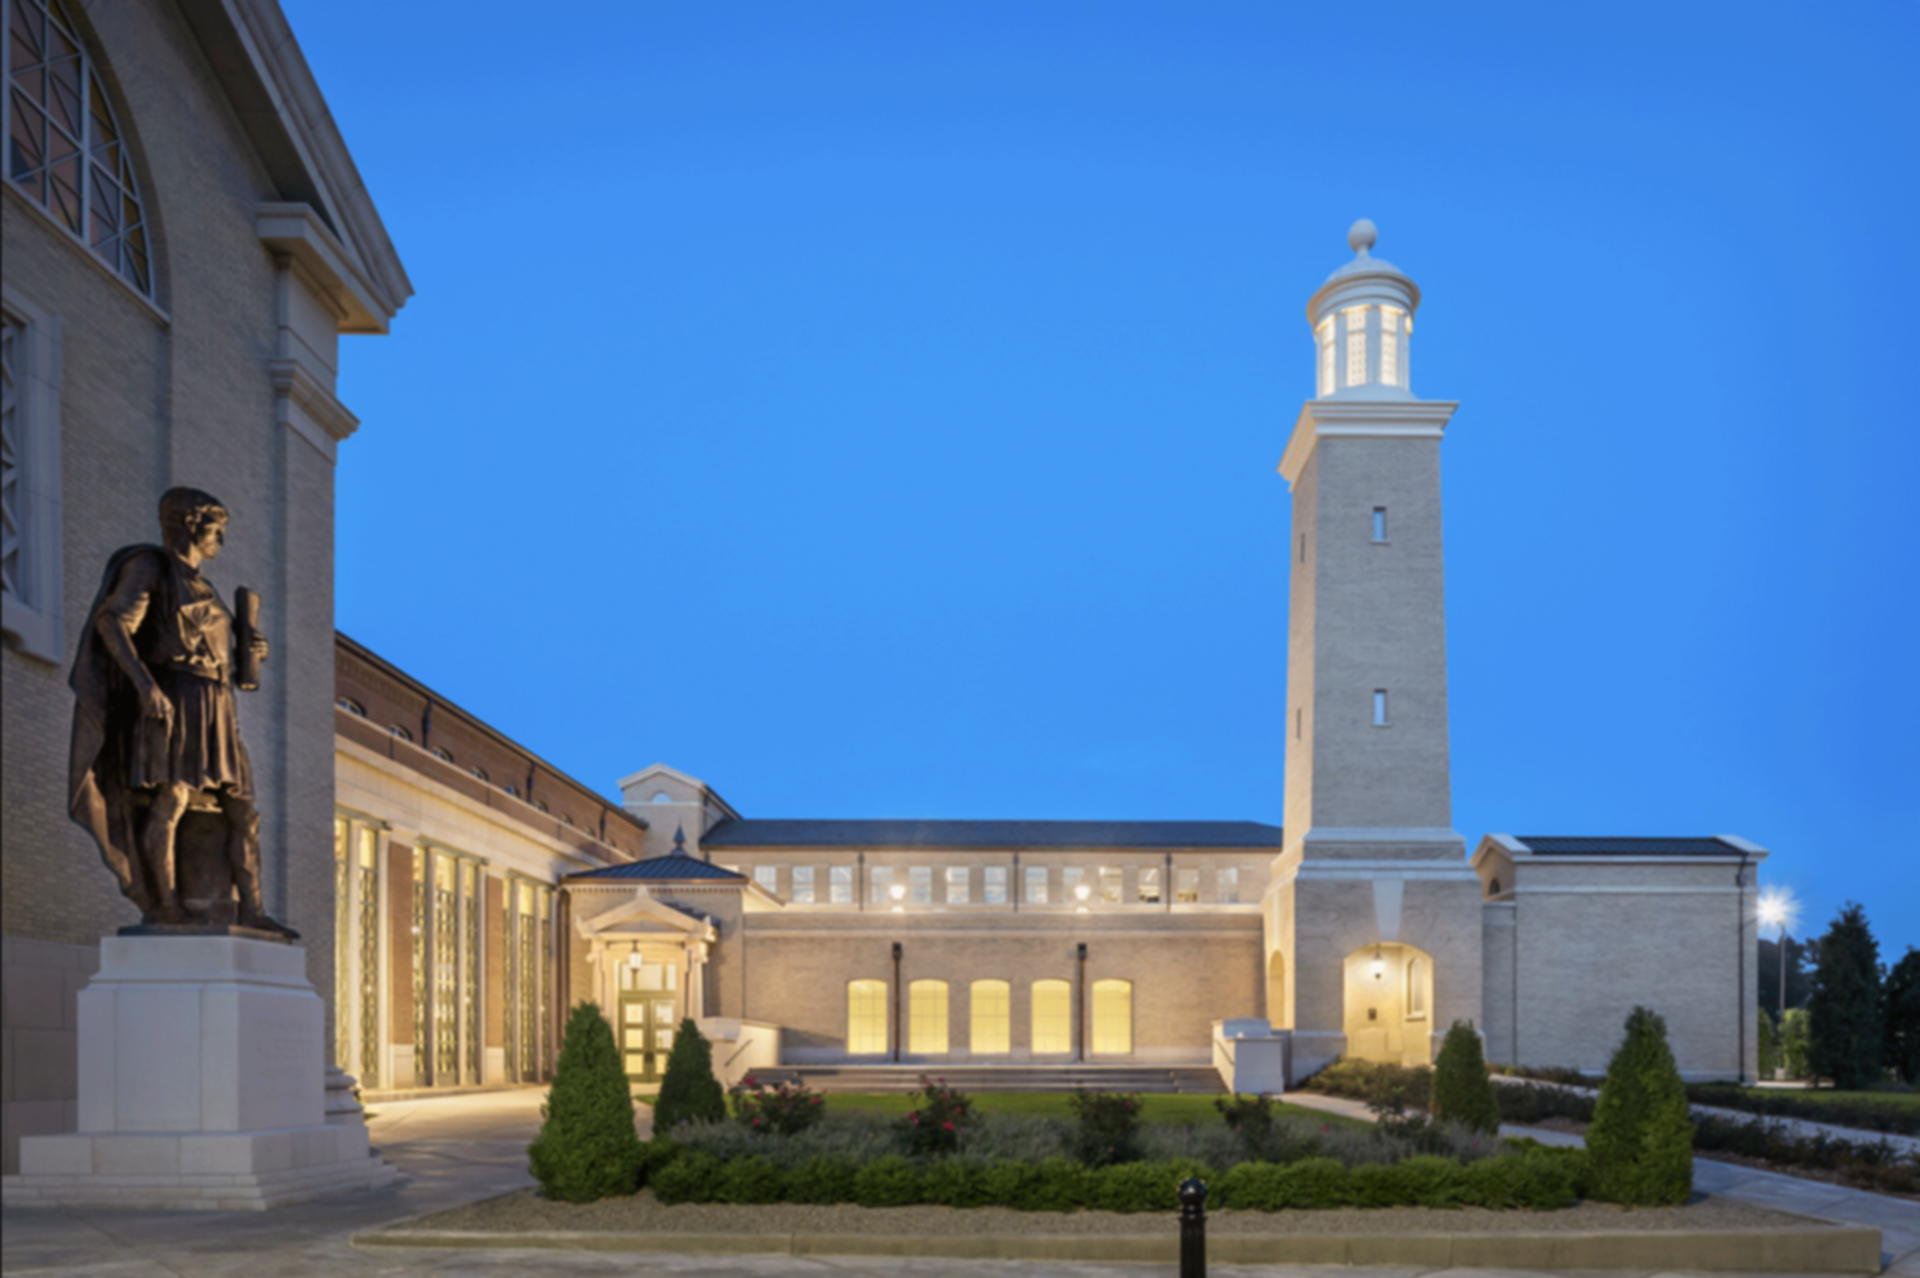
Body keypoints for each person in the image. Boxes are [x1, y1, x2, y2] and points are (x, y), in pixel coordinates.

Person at [69, 487, 296, 938]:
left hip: (218, 706)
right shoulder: (150, 566)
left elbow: (220, 655)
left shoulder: (206, 588)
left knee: (244, 811)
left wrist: (253, 652)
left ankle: (252, 910)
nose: (221, 542)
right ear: (191, 524)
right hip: (176, 699)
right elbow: (112, 623)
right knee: (170, 801)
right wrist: (145, 685)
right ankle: (165, 906)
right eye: (217, 530)